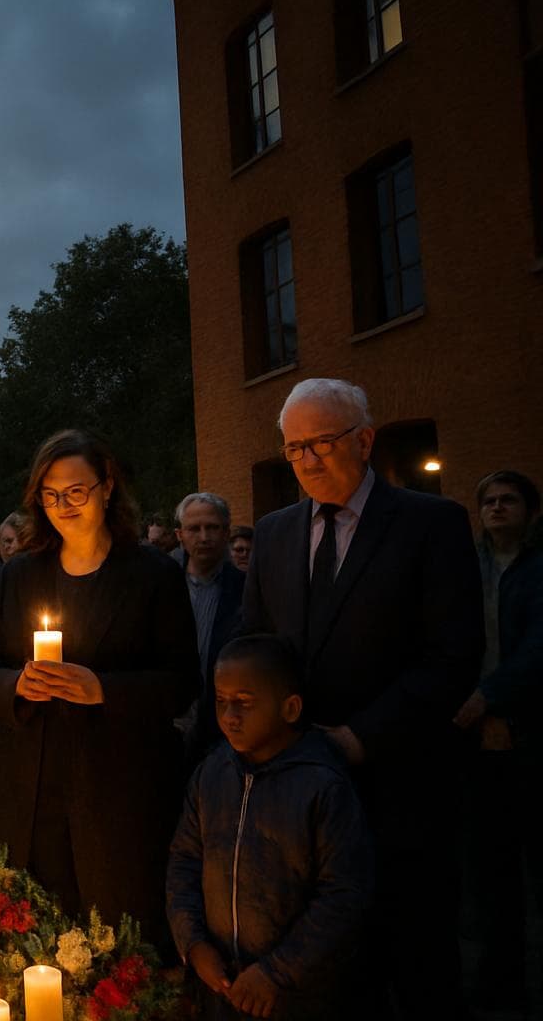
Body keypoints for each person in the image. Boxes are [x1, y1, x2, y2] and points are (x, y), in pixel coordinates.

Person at [240, 378, 481, 1016]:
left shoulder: (432, 524)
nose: (307, 461)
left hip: (401, 787)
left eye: (322, 442)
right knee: (330, 975)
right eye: (294, 449)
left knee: (420, 964)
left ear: (365, 440)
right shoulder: (274, 533)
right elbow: (252, 646)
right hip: (299, 795)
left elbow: (453, 657)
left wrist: (361, 737)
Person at [0, 429, 196, 946]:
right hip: (28, 789)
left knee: (110, 945)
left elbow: (182, 683)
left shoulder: (152, 576)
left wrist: (103, 689)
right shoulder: (19, 575)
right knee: (23, 945)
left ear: (107, 487)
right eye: (50, 495)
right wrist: (18, 685)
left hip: (115, 793)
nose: (63, 505)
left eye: (76, 492)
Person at [167, 634, 374, 1021]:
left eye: (244, 703)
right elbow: (183, 861)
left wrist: (276, 972)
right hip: (220, 988)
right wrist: (194, 944)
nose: (229, 715)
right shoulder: (212, 773)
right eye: (221, 701)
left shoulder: (321, 786)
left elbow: (344, 896)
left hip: (296, 996)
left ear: (290, 708)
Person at [452, 470, 543, 1012]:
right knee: (488, 866)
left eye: (509, 500)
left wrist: (490, 698)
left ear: (529, 511)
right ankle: (497, 982)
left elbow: (538, 649)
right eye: (488, 500)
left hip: (528, 726)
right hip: (473, 736)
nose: (497, 508)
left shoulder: (537, 569)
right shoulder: (469, 566)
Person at [173, 493, 246, 759]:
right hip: (169, 722)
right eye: (194, 528)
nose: (204, 537)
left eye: (212, 527)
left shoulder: (246, 590)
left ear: (227, 531)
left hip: (222, 731)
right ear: (180, 534)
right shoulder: (162, 585)